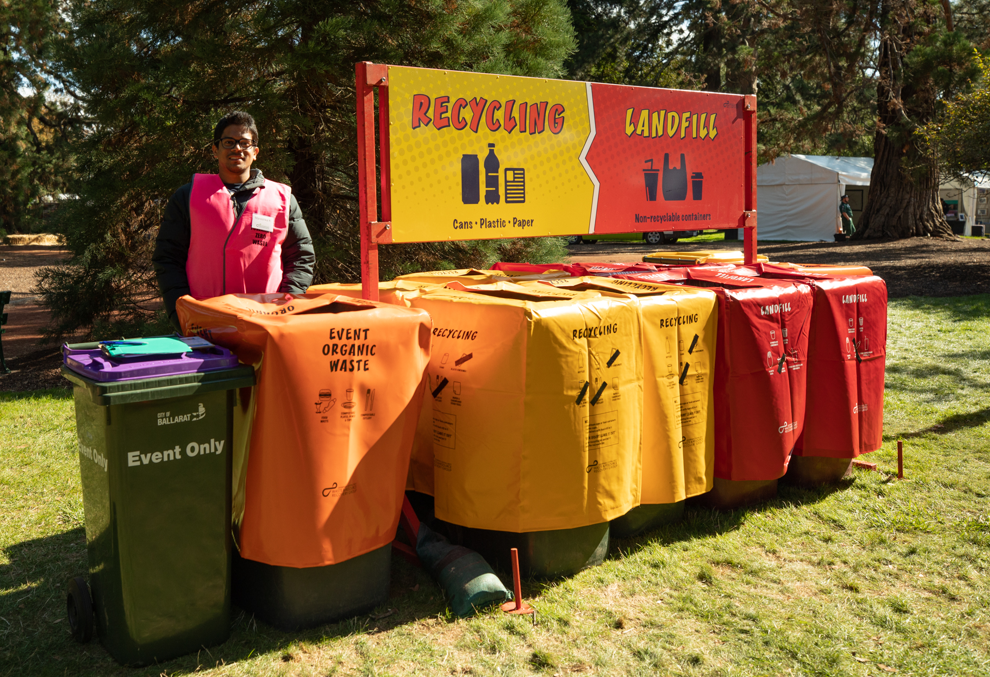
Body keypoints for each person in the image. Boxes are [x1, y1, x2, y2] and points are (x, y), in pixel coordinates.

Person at [153, 111, 315, 331]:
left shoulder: (283, 200)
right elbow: (168, 258)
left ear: (255, 152)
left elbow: (301, 256)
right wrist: (180, 312)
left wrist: (286, 306)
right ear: (215, 150)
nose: (237, 148)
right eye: (228, 142)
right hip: (204, 322)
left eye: (245, 143)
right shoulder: (188, 196)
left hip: (268, 323)